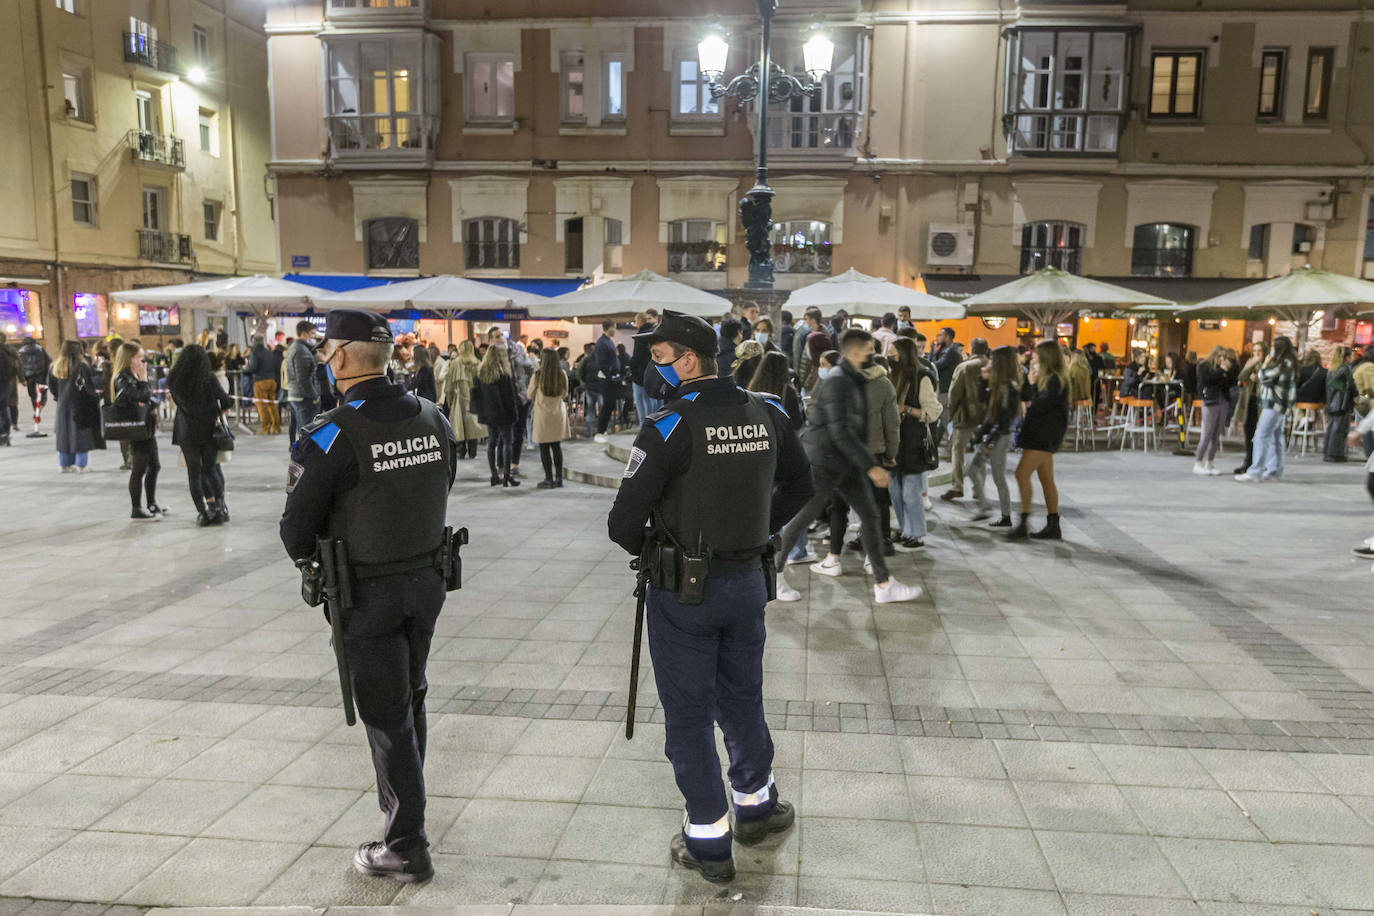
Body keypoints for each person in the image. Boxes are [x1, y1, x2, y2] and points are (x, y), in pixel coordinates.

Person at [606, 309, 812, 884]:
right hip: (747, 583)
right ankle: (757, 808)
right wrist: (757, 531)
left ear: (689, 359)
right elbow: (802, 483)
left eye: (660, 357)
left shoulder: (669, 426)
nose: (655, 368)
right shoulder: (767, 411)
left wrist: (663, 548)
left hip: (685, 593)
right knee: (743, 697)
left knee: (689, 715)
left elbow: (622, 523)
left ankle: (709, 842)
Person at [279, 308, 458, 885]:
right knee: (410, 697)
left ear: (338, 357)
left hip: (366, 594)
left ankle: (406, 845)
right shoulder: (432, 416)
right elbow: (444, 482)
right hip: (426, 582)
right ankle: (409, 816)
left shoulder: (332, 433)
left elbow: (295, 530)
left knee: (387, 714)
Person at [775, 328, 924, 603]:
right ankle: (772, 575)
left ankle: (883, 584)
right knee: (802, 519)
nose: (873, 355)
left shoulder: (854, 379)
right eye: (869, 351)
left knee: (870, 515)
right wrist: (871, 466)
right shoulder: (838, 381)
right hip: (825, 461)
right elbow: (840, 431)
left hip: (845, 462)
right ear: (854, 352)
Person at [1008, 340, 1070, 540]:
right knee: (1046, 479)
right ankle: (1053, 525)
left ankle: (1024, 523)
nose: (1032, 359)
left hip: (1044, 436)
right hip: (1041, 435)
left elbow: (1040, 406)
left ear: (1046, 357)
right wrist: (1030, 381)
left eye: (1035, 356)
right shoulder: (1046, 377)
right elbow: (1025, 395)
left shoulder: (1056, 381)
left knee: (1021, 474)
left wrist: (1034, 385)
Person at [167, 345, 233, 525]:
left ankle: (203, 512)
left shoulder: (174, 379)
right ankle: (220, 508)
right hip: (209, 430)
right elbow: (226, 401)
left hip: (186, 431)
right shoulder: (208, 378)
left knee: (194, 473)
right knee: (211, 469)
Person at [887, 337, 942, 549]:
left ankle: (916, 534)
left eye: (893, 351)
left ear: (903, 353)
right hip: (895, 443)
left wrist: (907, 409)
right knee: (895, 492)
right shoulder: (893, 376)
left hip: (914, 443)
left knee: (910, 493)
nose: (889, 355)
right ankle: (905, 530)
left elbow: (933, 411)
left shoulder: (922, 377)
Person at [111, 343, 165, 520]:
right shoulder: (123, 378)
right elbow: (142, 396)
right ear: (130, 359)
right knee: (139, 468)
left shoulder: (134, 376)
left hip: (146, 426)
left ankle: (152, 503)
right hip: (135, 428)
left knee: (155, 466)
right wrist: (143, 381)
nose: (143, 362)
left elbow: (153, 399)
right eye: (140, 358)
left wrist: (144, 390)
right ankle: (136, 508)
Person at [967, 346, 1020, 526]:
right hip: (994, 435)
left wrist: (989, 443)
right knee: (972, 469)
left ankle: (1005, 516)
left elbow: (1004, 419)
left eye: (992, 359)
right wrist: (983, 380)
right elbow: (983, 401)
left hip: (1000, 437)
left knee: (998, 476)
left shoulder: (1009, 387)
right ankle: (985, 508)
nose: (989, 362)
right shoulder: (999, 384)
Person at [1238, 335, 1298, 483]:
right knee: (1276, 438)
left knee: (1261, 436)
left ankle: (1256, 471)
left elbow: (1264, 376)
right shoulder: (1290, 363)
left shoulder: (1283, 364)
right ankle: (1274, 471)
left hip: (1274, 404)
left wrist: (1265, 364)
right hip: (1280, 406)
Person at [941, 338, 989, 501]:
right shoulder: (993, 367)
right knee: (980, 451)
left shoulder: (964, 367)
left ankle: (957, 486)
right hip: (986, 416)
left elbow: (954, 394)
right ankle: (978, 489)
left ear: (972, 349)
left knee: (958, 451)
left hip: (965, 415)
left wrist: (952, 414)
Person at [48, 340, 101, 472]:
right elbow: (89, 387)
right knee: (81, 435)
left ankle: (64, 465)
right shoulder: (82, 366)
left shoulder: (55, 366)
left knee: (64, 434)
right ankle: (81, 465)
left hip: (62, 405)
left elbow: (52, 387)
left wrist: (59, 397)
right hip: (80, 404)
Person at [472, 339, 520, 487]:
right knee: (507, 442)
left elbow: (476, 396)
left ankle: (494, 475)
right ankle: (507, 476)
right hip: (504, 414)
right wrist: (514, 416)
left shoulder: (480, 375)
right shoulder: (503, 376)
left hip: (488, 414)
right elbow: (510, 399)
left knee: (491, 443)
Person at [528, 347, 570, 488]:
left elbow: (530, 394)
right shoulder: (562, 374)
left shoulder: (538, 375)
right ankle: (559, 478)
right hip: (558, 413)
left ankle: (548, 479)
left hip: (543, 414)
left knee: (544, 447)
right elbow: (565, 394)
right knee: (556, 446)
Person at [437, 339, 484, 458]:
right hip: (474, 399)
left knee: (459, 425)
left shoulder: (455, 363)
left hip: (459, 399)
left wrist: (449, 399)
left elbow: (449, 385)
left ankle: (460, 451)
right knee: (473, 425)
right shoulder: (478, 363)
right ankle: (473, 452)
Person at [1192, 346, 1234, 476]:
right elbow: (1208, 380)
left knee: (1216, 434)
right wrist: (1221, 370)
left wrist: (1228, 371)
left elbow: (1230, 383)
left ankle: (1210, 462)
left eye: (1224, 356)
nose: (1222, 359)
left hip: (1223, 401)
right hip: (1210, 401)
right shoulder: (1204, 366)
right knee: (1207, 433)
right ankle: (1198, 462)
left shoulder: (1224, 368)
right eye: (1220, 356)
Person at [1231, 341, 1269, 475]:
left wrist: (1257, 377)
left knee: (1261, 435)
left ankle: (1261, 464)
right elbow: (1241, 377)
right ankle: (1248, 462)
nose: (1257, 353)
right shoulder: (1250, 362)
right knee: (1249, 434)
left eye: (1260, 351)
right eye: (1255, 351)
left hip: (1262, 403)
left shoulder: (1268, 364)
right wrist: (1250, 366)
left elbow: (1265, 379)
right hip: (1249, 401)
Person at [748, 351, 804, 429]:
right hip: (780, 433)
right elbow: (797, 422)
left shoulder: (753, 388)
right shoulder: (788, 391)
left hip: (761, 432)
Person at [285, 320, 321, 437]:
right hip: (304, 397)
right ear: (304, 334)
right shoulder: (301, 351)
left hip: (297, 395)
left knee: (302, 429)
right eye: (313, 333)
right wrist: (315, 396)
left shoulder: (297, 348)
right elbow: (303, 378)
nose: (314, 337)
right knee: (307, 431)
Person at [630, 309, 662, 426]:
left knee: (641, 401)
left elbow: (637, 356)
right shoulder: (655, 333)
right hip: (654, 372)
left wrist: (632, 369)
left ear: (639, 321)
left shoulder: (641, 335)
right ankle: (653, 424)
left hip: (640, 374)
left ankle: (644, 426)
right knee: (652, 400)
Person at [245, 335, 280, 434]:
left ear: (254, 342)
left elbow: (253, 367)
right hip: (272, 381)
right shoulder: (268, 352)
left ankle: (265, 428)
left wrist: (245, 370)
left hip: (260, 381)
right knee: (272, 404)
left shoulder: (255, 352)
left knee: (262, 405)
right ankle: (276, 427)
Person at [592, 320, 621, 443]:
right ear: (609, 327)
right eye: (614, 327)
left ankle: (603, 430)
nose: (615, 330)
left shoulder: (608, 341)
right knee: (607, 405)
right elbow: (602, 363)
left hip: (611, 378)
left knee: (610, 405)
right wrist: (610, 376)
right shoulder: (602, 343)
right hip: (607, 379)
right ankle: (600, 431)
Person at [1325, 346, 1355, 463]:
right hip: (1342, 403)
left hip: (1331, 403)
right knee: (1340, 429)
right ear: (1347, 357)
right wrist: (1347, 389)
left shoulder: (1332, 368)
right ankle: (1336, 453)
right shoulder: (1345, 368)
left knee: (1332, 428)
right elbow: (1350, 385)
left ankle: (1328, 452)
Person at [17, 335, 50, 437]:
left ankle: (35, 410)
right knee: (43, 395)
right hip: (41, 374)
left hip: (29, 375)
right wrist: (47, 375)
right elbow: (48, 362)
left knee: (32, 395)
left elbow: (19, 366)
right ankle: (38, 411)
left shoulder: (21, 351)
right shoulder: (40, 349)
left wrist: (22, 379)